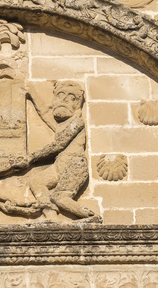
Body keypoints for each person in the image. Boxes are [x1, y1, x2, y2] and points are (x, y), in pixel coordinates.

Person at [27, 81, 95, 221]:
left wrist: (32, 157)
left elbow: (59, 145)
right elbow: (45, 113)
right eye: (60, 95)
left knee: (60, 197)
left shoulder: (77, 122)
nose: (64, 99)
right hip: (60, 165)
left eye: (72, 97)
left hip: (74, 165)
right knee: (36, 182)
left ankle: (90, 217)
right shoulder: (62, 124)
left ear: (78, 105)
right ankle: (51, 215)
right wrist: (32, 92)